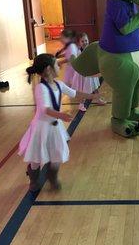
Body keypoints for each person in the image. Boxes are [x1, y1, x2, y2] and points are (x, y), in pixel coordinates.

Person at [19, 53, 102, 192]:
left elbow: (74, 93)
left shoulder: (59, 84)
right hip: (41, 127)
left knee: (57, 153)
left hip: (54, 126)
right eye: (57, 64)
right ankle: (34, 178)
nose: (60, 66)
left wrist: (92, 96)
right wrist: (60, 115)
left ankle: (52, 176)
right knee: (37, 157)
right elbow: (45, 109)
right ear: (48, 69)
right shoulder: (40, 88)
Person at [71, 32, 106, 111]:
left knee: (95, 87)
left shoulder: (90, 50)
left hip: (90, 73)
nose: (85, 42)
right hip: (82, 75)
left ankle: (98, 99)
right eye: (82, 41)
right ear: (79, 43)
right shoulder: (78, 52)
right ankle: (81, 104)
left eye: (86, 40)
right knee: (83, 90)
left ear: (88, 40)